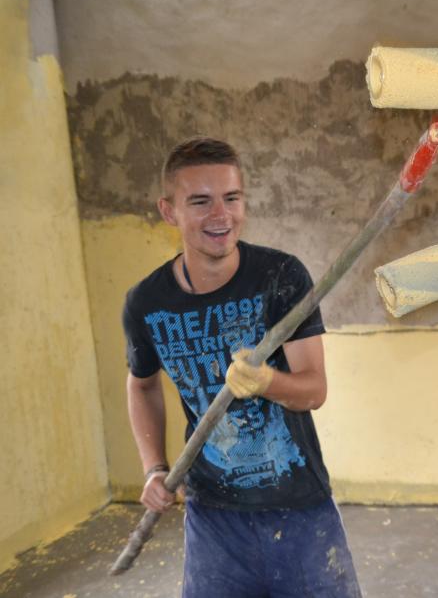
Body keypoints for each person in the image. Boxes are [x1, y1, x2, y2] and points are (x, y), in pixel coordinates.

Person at [122, 137, 361, 597]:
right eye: (200, 201)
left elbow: (314, 390)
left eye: (232, 198)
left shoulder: (281, 277)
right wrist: (154, 468)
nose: (221, 216)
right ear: (169, 211)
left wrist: (267, 381)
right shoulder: (146, 303)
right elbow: (142, 386)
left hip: (301, 514)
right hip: (214, 523)